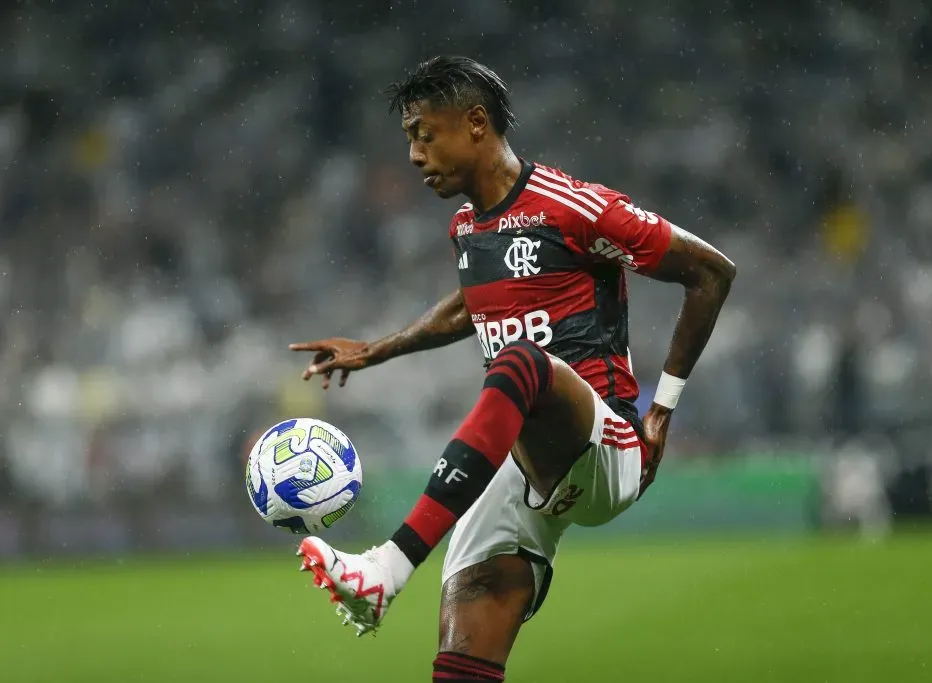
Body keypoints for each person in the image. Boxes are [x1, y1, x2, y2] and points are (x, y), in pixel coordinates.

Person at [289, 56, 736, 682]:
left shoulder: (575, 208)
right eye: (408, 138)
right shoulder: (467, 227)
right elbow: (470, 306)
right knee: (464, 652)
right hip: (524, 465)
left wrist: (661, 409)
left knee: (523, 362)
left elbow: (711, 272)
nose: (414, 154)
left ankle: (385, 567)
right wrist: (379, 348)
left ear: (475, 124)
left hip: (605, 445)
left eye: (423, 133)